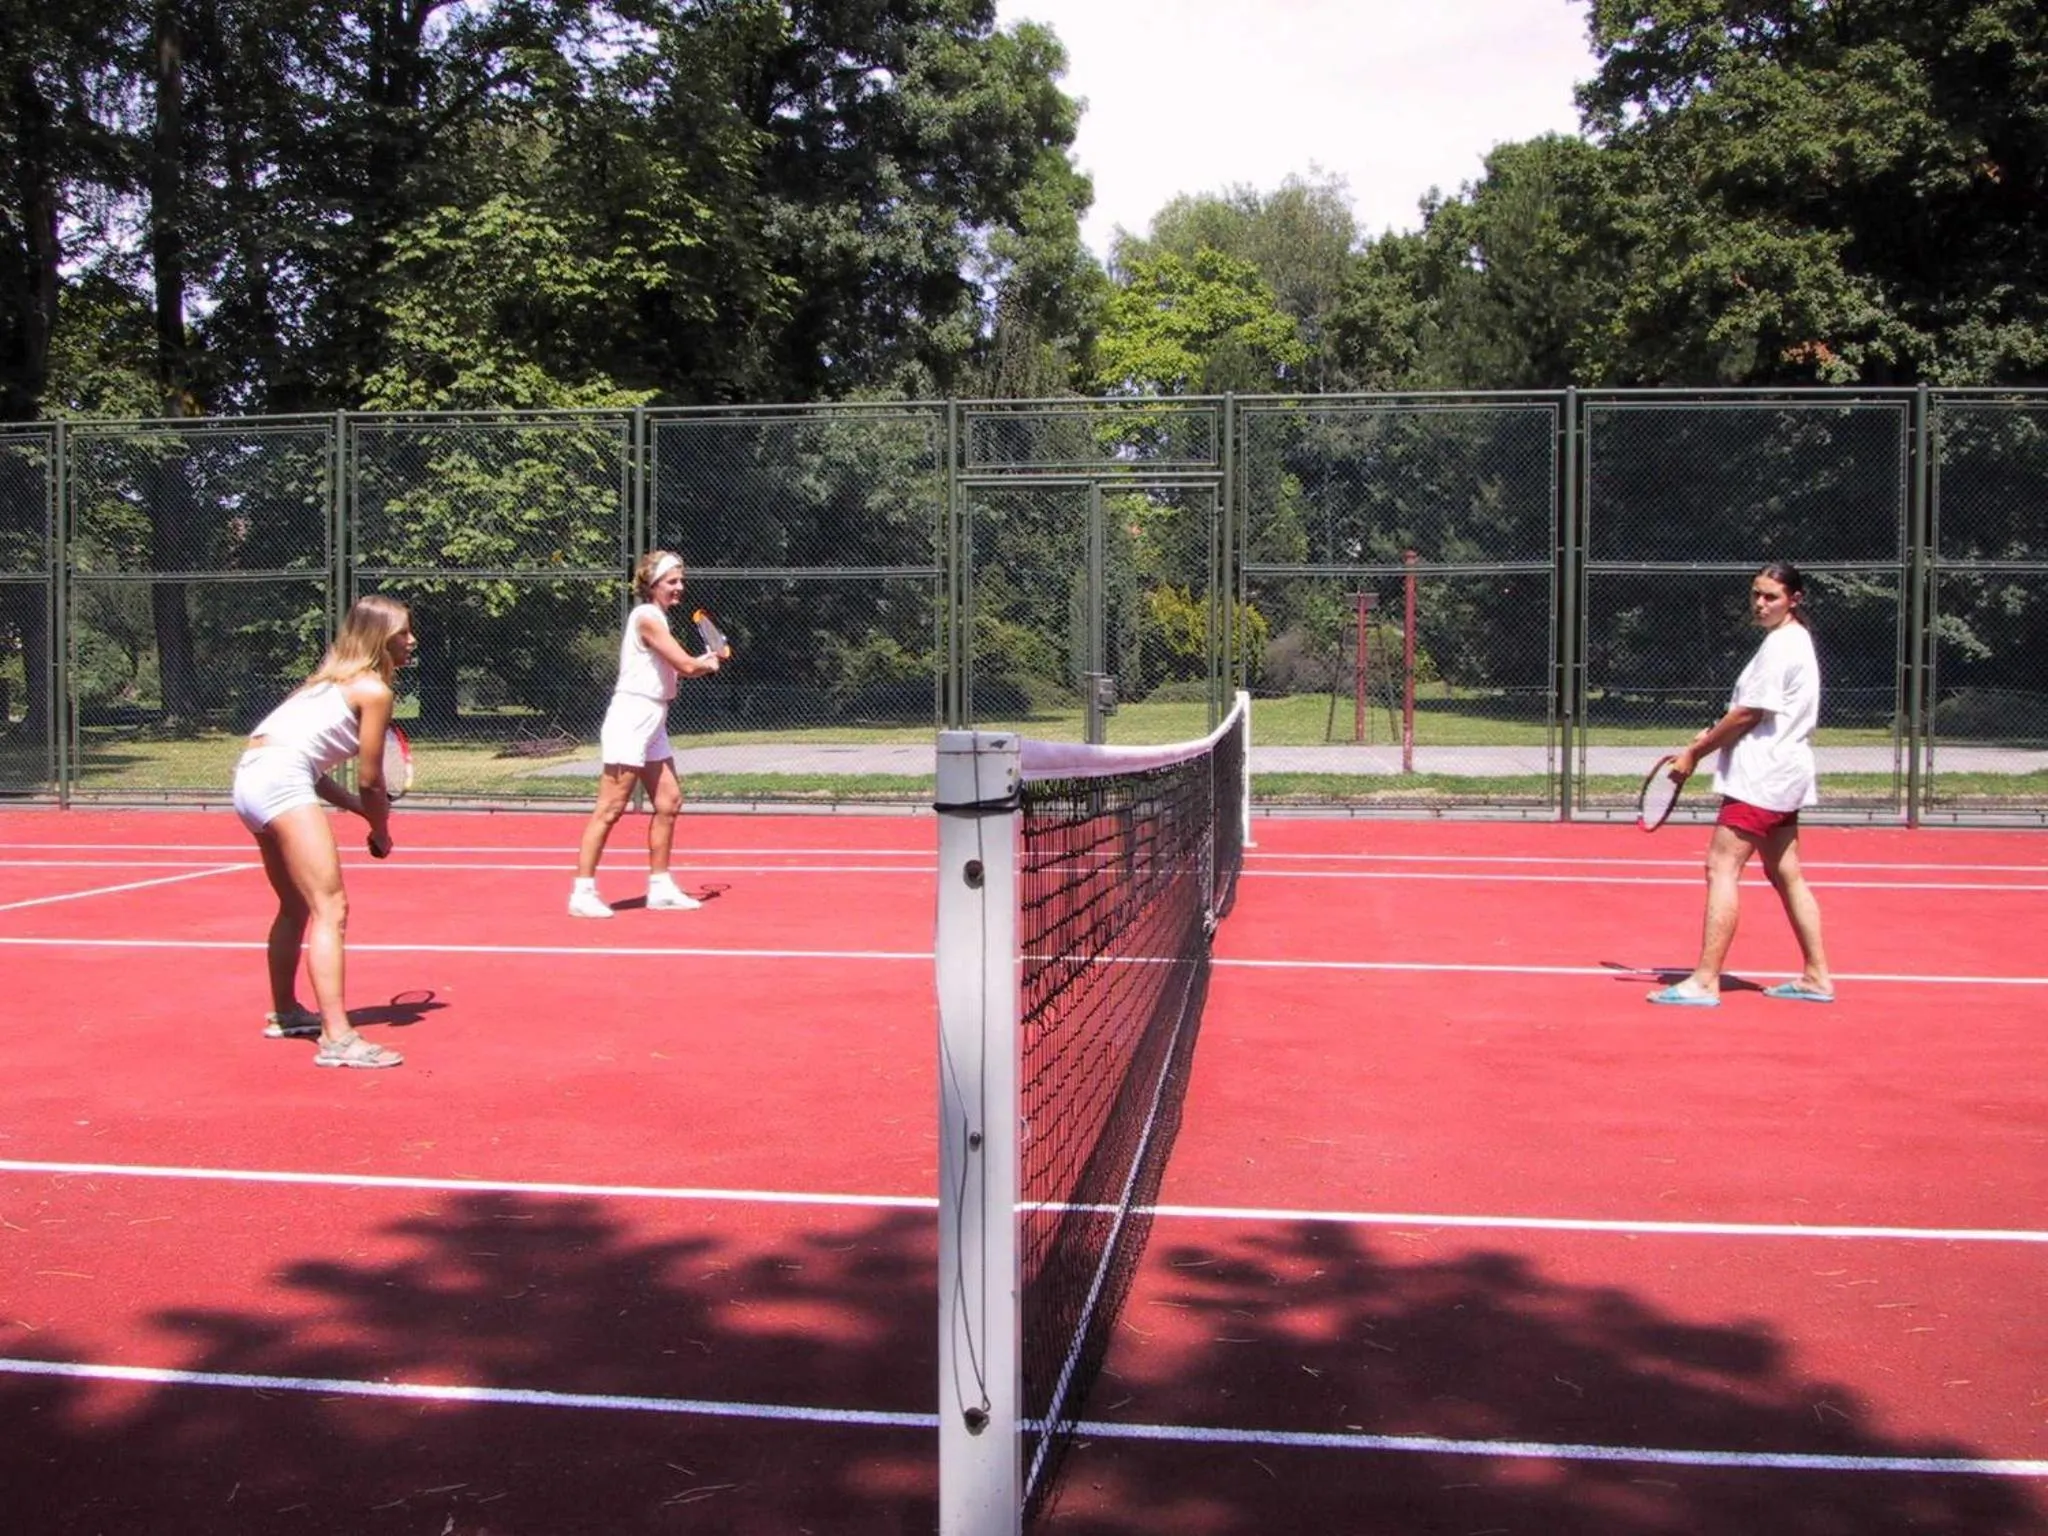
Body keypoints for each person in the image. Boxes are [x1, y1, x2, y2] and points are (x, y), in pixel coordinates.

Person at [232, 594, 415, 1067]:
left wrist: (359, 810)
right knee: (331, 907)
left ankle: (286, 1011)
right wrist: (380, 827)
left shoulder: (317, 686)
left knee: (295, 904)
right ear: (380, 639)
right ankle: (337, 1038)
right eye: (403, 634)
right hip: (281, 778)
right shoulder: (374, 691)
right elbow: (372, 778)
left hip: (250, 776)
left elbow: (310, 769)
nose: (412, 642)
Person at [1648, 561, 1835, 1008]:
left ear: (1795, 599)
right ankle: (1817, 976)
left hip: (1763, 777)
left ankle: (1705, 980)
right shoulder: (1790, 642)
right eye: (1756, 594)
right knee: (1786, 872)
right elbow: (1751, 713)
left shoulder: (1782, 646)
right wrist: (1712, 735)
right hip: (1782, 772)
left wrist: (1696, 752)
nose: (1760, 603)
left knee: (1720, 868)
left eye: (1770, 596)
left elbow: (1749, 713)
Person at [570, 550, 721, 918]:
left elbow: (675, 672)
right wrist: (704, 664)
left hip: (654, 719)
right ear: (652, 585)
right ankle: (582, 892)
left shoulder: (659, 619)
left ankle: (660, 887)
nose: (679, 587)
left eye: (680, 581)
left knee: (669, 802)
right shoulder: (646, 617)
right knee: (610, 809)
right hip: (630, 718)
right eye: (672, 582)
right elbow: (684, 664)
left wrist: (700, 665)